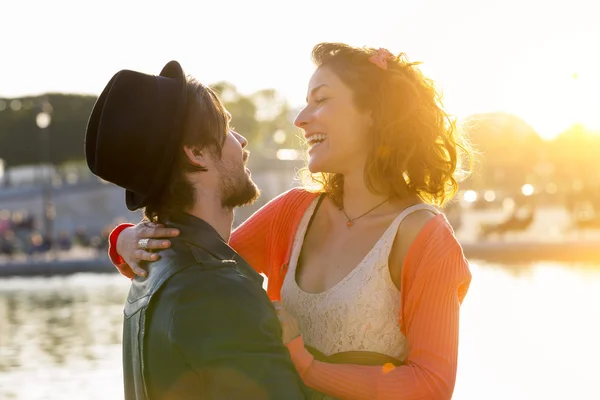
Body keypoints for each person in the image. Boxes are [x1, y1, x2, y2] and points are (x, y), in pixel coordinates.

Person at [110, 43, 473, 400]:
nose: (300, 118)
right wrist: (125, 241)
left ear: (374, 113)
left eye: (321, 100)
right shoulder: (292, 213)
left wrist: (308, 366)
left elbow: (431, 385)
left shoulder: (426, 239)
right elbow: (203, 267)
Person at [85, 60, 308, 399]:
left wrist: (121, 239)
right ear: (197, 152)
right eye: (227, 129)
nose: (242, 141)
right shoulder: (216, 286)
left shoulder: (150, 269)